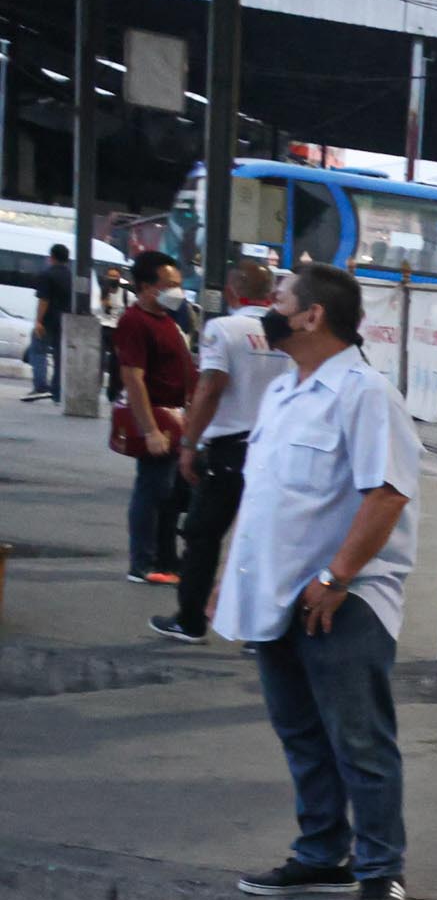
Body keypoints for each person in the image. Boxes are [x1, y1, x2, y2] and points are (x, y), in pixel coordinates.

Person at [219, 263, 421, 900]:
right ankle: (321, 852)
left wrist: (336, 577)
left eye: (277, 301)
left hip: (342, 595)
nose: (266, 310)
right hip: (276, 594)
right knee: (302, 733)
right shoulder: (284, 392)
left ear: (312, 317)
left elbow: (386, 493)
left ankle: (380, 869)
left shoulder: (364, 394)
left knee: (359, 737)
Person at [154, 260, 293, 644]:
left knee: (203, 535)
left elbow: (210, 388)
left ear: (232, 291)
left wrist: (189, 443)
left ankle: (191, 619)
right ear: (269, 293)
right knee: (266, 539)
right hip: (276, 449)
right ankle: (263, 631)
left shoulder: (223, 330)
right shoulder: (286, 333)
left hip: (229, 451)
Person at [110, 251, 197, 587]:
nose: (177, 290)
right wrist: (150, 430)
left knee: (171, 494)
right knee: (152, 491)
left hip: (175, 417)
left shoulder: (169, 318)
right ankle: (142, 563)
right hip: (157, 417)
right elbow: (133, 378)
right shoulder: (134, 322)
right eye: (169, 284)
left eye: (178, 283)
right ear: (146, 287)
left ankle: (165, 559)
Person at [23, 242, 66, 402]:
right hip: (64, 322)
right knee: (59, 357)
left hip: (47, 321)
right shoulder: (70, 275)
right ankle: (57, 391)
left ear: (52, 257)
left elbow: (44, 300)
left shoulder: (46, 275)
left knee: (38, 351)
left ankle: (40, 386)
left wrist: (38, 321)